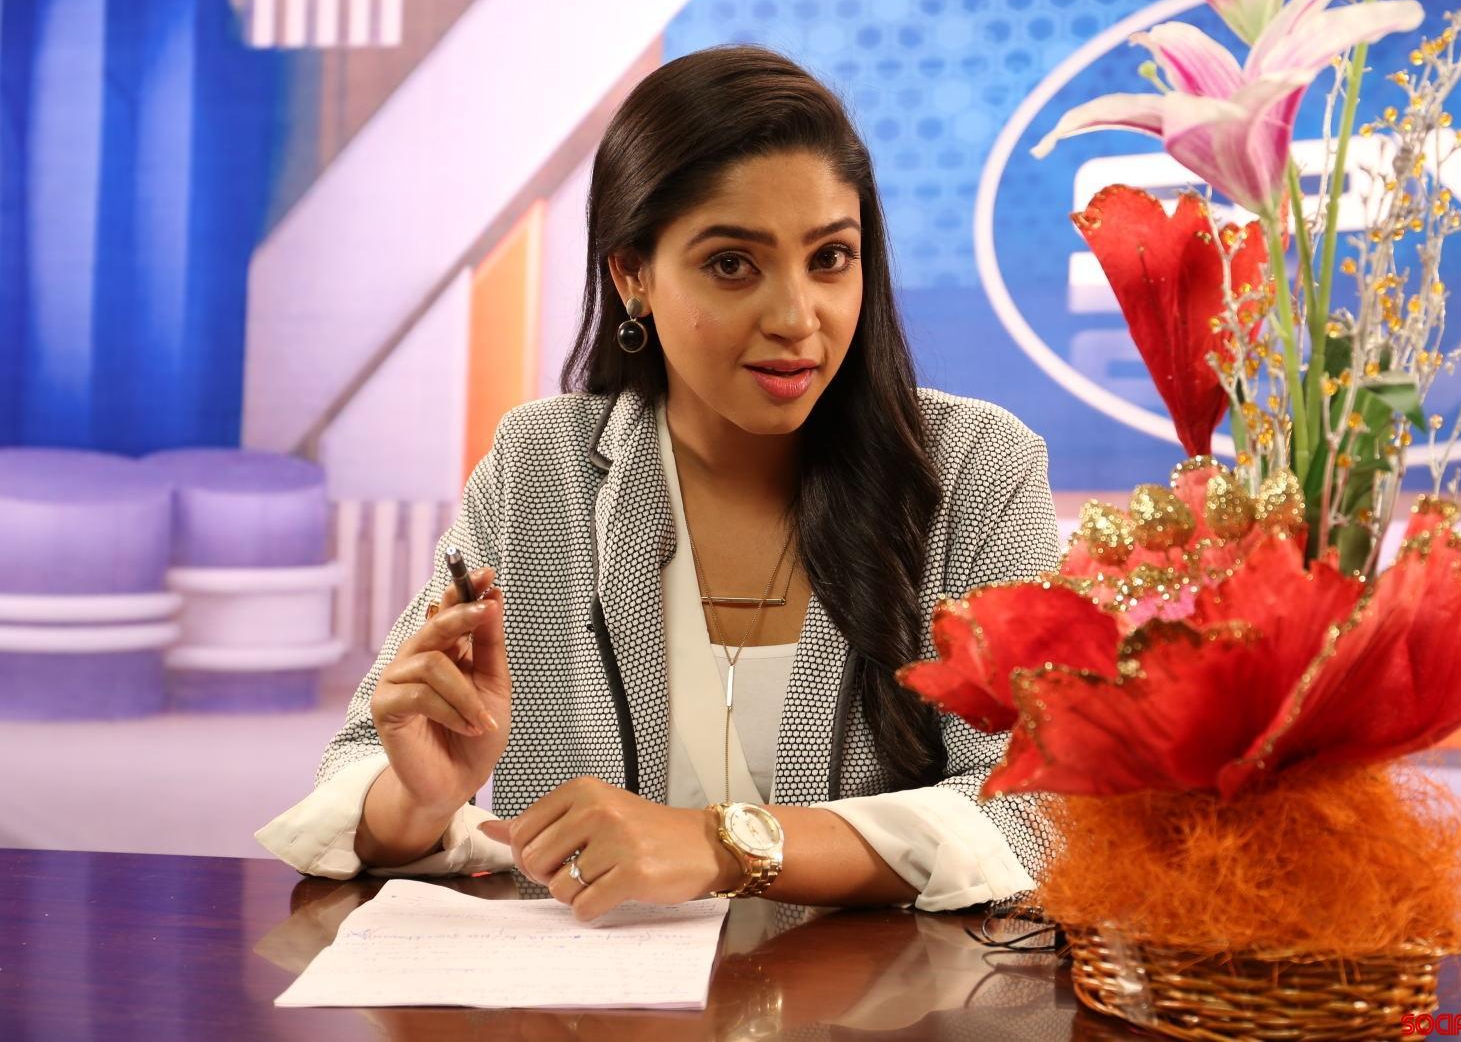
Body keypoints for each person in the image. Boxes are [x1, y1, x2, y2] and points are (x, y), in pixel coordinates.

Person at [257, 45, 1061, 922]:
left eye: (831, 257)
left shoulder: (978, 469)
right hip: (591, 994)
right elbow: (353, 783)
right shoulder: (540, 466)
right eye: (732, 264)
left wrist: (726, 844)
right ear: (632, 275)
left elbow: (1042, 809)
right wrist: (422, 797)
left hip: (880, 995)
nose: (797, 317)